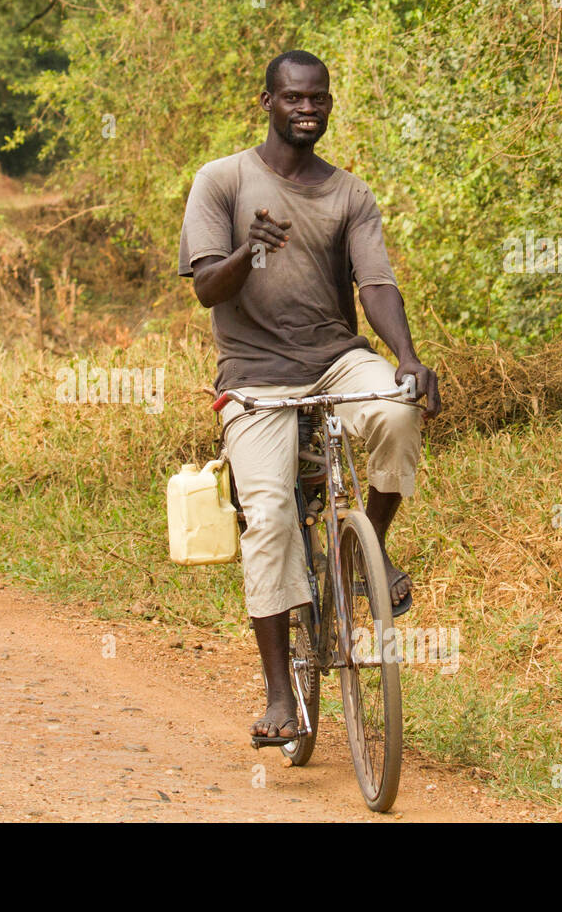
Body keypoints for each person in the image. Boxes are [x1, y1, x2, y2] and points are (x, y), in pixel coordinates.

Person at [178, 50, 442, 744]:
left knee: (396, 403)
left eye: (318, 99)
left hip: (335, 361)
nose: (307, 109)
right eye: (293, 97)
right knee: (266, 517)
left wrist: (409, 359)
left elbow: (375, 286)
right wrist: (248, 250)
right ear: (263, 101)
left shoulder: (349, 193)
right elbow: (207, 287)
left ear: (329, 105)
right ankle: (277, 698)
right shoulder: (222, 181)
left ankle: (368, 551)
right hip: (254, 377)